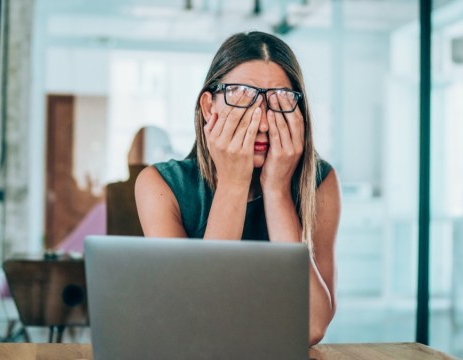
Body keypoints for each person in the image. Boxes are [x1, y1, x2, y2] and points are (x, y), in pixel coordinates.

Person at [135, 31, 341, 345]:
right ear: (208, 106)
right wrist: (233, 182)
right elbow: (195, 320)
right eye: (242, 96)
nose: (261, 122)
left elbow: (311, 326)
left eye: (280, 101)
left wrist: (276, 190)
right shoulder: (161, 185)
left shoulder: (321, 183)